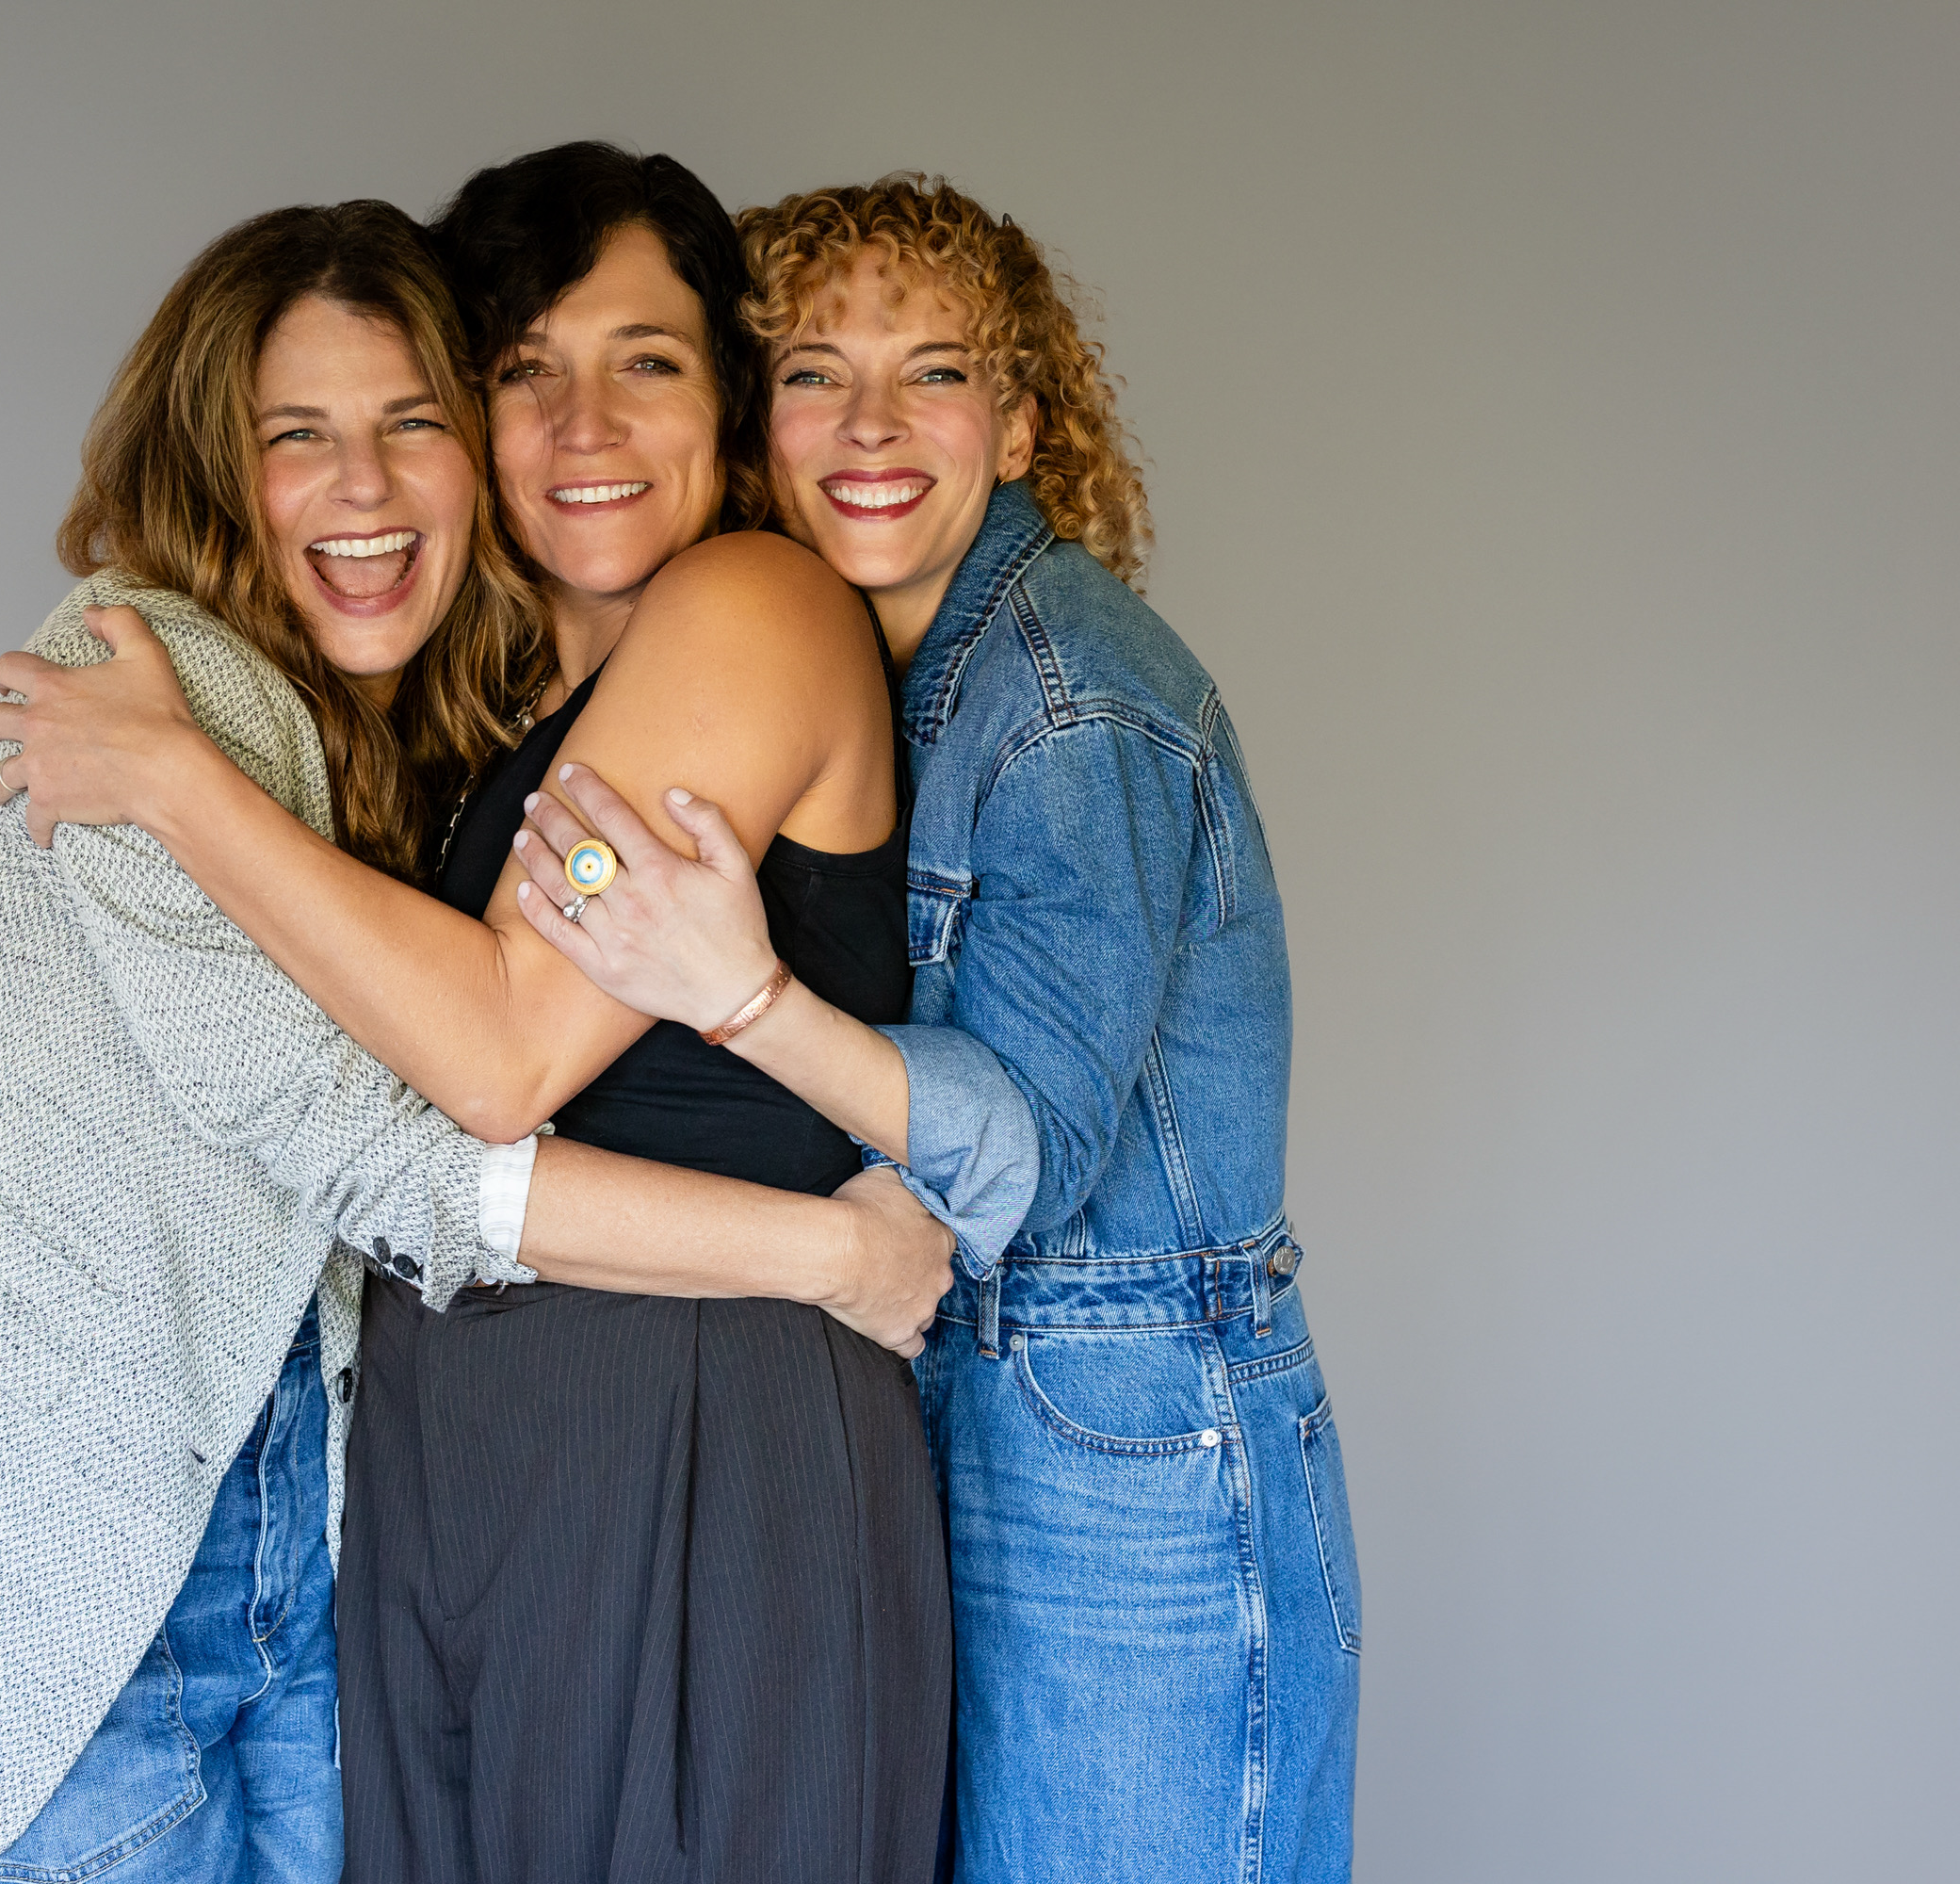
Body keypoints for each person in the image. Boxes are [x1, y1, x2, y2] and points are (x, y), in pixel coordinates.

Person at [0, 198, 951, 1884]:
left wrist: (151, 767)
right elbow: (390, 1143)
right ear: (216, 468)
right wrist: (821, 1252)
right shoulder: (138, 691)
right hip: (38, 1583)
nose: (363, 487)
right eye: (299, 438)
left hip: (320, 1572)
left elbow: (459, 1030)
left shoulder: (393, 730)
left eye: (407, 421)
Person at [505, 175, 1363, 1884]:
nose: (871, 424)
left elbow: (1021, 1152)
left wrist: (741, 996)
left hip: (1133, 1457)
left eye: (938, 373)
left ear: (1027, 421)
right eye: (817, 372)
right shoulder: (887, 671)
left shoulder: (1067, 703)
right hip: (967, 1410)